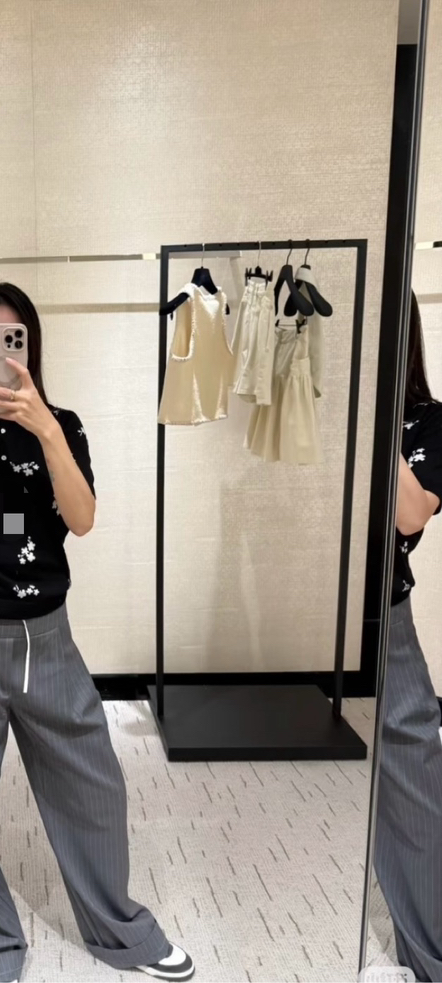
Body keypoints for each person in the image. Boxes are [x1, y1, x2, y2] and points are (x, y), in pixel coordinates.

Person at [0, 282, 194, 983]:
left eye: (11, 341)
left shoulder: (62, 425)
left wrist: (45, 430)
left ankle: (118, 929)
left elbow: (82, 518)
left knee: (94, 789)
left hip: (47, 642)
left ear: (29, 348)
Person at [374, 290, 442, 983]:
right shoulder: (326, 407)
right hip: (323, 613)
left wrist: (379, 408)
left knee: (416, 769)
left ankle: (430, 957)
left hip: (385, 613)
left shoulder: (431, 422)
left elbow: (408, 515)